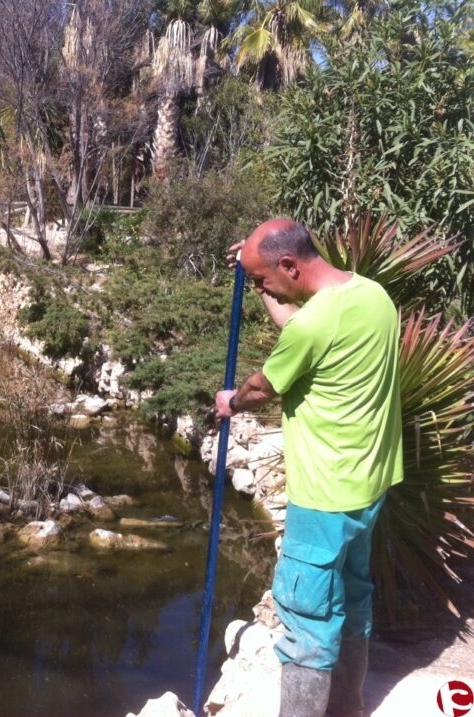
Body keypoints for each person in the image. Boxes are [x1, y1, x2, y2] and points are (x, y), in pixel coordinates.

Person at [215, 219, 403, 717]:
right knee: (354, 601)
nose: (257, 288)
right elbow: (299, 325)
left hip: (323, 494)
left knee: (307, 623)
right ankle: (347, 709)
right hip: (369, 485)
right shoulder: (371, 296)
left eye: (261, 280)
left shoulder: (312, 326)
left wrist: (230, 401)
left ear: (290, 266)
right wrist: (253, 268)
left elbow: (261, 387)